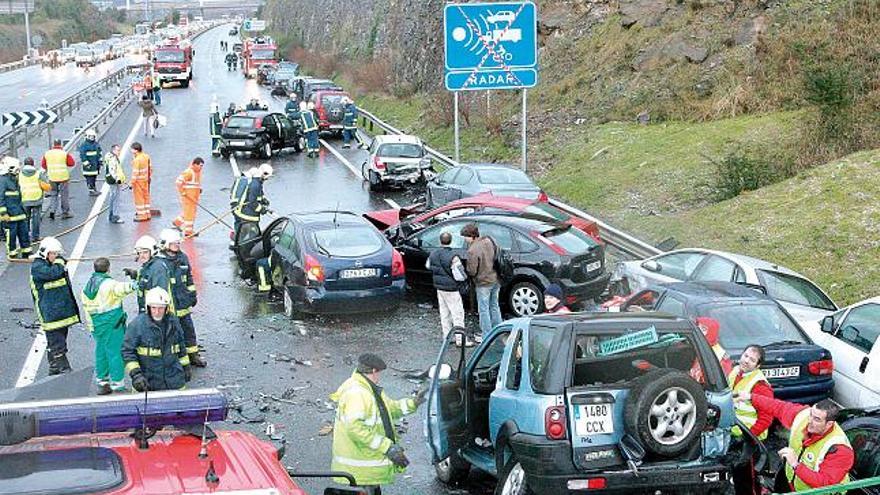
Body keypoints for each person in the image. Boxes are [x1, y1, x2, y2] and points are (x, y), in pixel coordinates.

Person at [330, 353, 426, 494]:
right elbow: (355, 428)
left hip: (363, 468)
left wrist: (413, 403)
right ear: (374, 371)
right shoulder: (358, 393)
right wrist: (387, 447)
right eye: (379, 373)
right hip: (360, 468)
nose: (379, 377)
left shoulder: (367, 388)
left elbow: (389, 409)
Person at [737, 393, 854, 493]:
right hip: (791, 483)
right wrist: (751, 397)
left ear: (829, 424)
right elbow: (778, 407)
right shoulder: (803, 416)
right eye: (811, 415)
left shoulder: (840, 450)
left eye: (817, 419)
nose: (809, 422)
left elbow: (825, 484)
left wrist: (796, 465)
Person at [81, 257, 137, 394]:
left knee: (101, 353)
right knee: (115, 353)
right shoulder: (109, 284)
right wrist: (136, 279)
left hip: (97, 325)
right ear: (108, 268)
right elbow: (128, 288)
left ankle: (102, 382)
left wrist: (92, 326)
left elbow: (86, 308)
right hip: (113, 324)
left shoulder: (87, 287)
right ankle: (118, 384)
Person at [122, 287, 191, 392]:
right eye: (153, 308)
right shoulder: (137, 325)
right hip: (148, 382)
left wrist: (186, 367)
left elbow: (181, 346)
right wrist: (136, 375)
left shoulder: (174, 322)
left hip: (174, 380)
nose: (157, 312)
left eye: (161, 308)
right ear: (148, 308)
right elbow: (127, 351)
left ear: (166, 308)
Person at [30, 237, 81, 375]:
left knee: (57, 342)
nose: (56, 256)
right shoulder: (38, 268)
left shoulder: (51, 265)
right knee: (57, 345)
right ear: (45, 253)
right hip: (51, 315)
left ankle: (54, 368)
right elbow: (53, 273)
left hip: (60, 314)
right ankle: (65, 371)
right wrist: (59, 263)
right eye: (53, 253)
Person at [156, 228, 206, 367]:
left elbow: (188, 278)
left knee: (188, 329)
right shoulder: (160, 262)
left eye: (178, 243)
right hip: (169, 305)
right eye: (174, 244)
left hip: (183, 302)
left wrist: (192, 294)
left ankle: (193, 354)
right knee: (170, 333)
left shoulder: (182, 257)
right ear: (165, 244)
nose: (177, 246)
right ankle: (174, 357)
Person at [461, 223, 501, 341]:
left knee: (483, 310)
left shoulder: (473, 250)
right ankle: (499, 330)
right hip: (495, 278)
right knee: (494, 306)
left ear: (471, 236)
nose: (465, 239)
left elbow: (472, 271)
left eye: (465, 237)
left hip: (483, 283)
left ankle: (487, 336)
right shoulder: (488, 240)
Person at [425, 231, 466, 340]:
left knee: (444, 313)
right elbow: (460, 275)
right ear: (451, 240)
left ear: (440, 241)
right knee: (457, 314)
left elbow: (428, 266)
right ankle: (460, 339)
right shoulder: (453, 256)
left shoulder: (433, 254)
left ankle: (447, 337)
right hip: (452, 289)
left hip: (440, 288)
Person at [729, 344, 774, 440]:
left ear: (758, 366)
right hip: (733, 431)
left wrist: (748, 438)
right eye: (745, 356)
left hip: (750, 437)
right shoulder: (735, 371)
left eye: (752, 360)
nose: (746, 361)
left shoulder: (760, 385)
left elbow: (766, 419)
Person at [129, 235, 172, 313]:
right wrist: (136, 276)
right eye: (139, 253)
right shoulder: (148, 265)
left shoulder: (158, 268)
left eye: (145, 252)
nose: (141, 255)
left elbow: (159, 295)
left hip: (154, 311)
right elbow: (148, 280)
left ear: (152, 252)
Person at [0, 157, 30, 259]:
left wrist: (23, 212)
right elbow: (1, 198)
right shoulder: (3, 181)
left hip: (19, 213)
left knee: (24, 233)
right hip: (10, 215)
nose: (18, 171)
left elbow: (18, 197)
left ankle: (26, 251)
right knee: (11, 236)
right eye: (16, 169)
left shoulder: (13, 179)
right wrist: (3, 213)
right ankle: (12, 254)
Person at [41, 138, 75, 220]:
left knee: (53, 194)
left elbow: (43, 165)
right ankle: (65, 212)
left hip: (52, 177)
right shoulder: (64, 153)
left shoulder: (47, 153)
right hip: (63, 178)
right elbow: (71, 163)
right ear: (60, 144)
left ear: (54, 144)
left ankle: (52, 211)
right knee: (64, 195)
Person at [233, 164, 271, 233]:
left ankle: (236, 237)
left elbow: (258, 194)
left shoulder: (255, 182)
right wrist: (262, 209)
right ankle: (238, 239)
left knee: (240, 230)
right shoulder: (255, 184)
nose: (267, 179)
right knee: (252, 234)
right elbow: (252, 202)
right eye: (267, 177)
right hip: (247, 215)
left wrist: (263, 199)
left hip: (239, 210)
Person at [18, 157, 50, 240]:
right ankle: (35, 236)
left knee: (25, 219)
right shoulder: (38, 173)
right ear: (33, 164)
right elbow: (46, 187)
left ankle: (25, 236)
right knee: (36, 219)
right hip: (37, 199)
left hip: (24, 199)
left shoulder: (19, 174)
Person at [173, 157, 203, 236]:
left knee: (189, 212)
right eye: (200, 165)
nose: (201, 167)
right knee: (189, 214)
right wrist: (182, 192)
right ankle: (188, 232)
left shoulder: (197, 173)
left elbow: (195, 184)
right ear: (194, 164)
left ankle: (177, 222)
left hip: (193, 198)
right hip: (188, 197)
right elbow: (178, 182)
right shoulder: (189, 172)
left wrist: (199, 189)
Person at [103, 144, 126, 224]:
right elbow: (113, 170)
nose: (119, 152)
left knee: (112, 197)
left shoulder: (109, 156)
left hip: (110, 180)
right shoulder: (113, 159)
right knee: (116, 198)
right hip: (114, 181)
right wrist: (118, 180)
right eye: (118, 150)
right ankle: (115, 216)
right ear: (113, 150)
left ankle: (111, 215)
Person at [130, 142, 152, 222]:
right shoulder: (146, 156)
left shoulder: (137, 160)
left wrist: (131, 183)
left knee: (139, 199)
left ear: (135, 150)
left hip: (138, 182)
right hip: (145, 180)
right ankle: (147, 213)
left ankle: (142, 215)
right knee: (146, 197)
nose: (131, 150)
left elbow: (135, 173)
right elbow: (150, 168)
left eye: (132, 149)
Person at [78, 128, 103, 196]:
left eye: (93, 136)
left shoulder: (96, 144)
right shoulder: (84, 145)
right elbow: (83, 156)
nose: (92, 138)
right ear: (87, 136)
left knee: (94, 178)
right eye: (91, 136)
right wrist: (87, 164)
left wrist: (100, 161)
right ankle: (91, 191)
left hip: (95, 166)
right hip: (89, 167)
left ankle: (94, 189)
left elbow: (99, 152)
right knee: (89, 179)